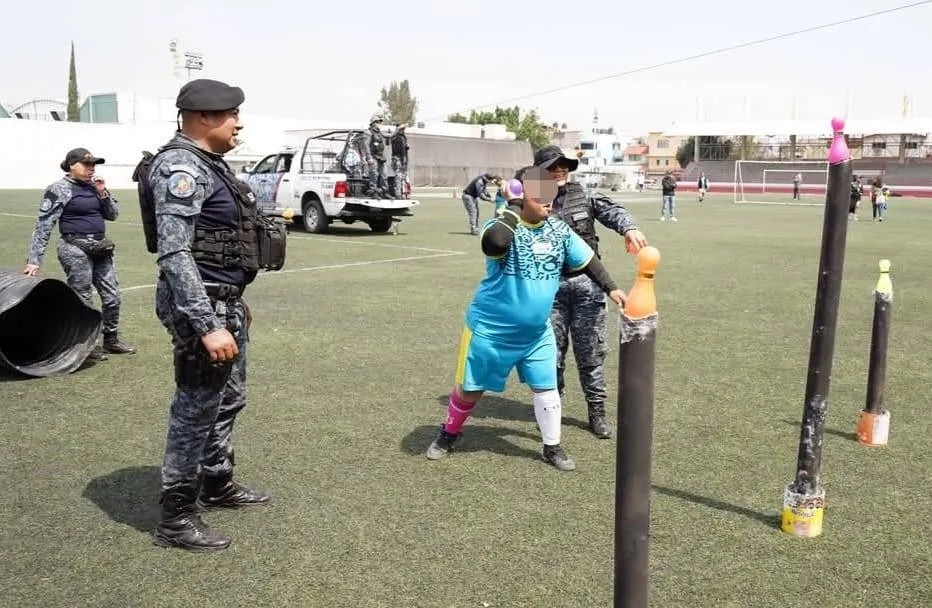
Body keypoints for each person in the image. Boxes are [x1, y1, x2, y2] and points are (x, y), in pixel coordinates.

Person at [139, 78, 287, 552]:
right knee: (195, 409)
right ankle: (177, 515)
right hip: (199, 304)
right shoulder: (181, 167)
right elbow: (175, 255)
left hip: (223, 299)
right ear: (204, 117)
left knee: (229, 398)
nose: (239, 122)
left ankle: (216, 480)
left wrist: (235, 304)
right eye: (232, 114)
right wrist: (207, 324)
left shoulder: (209, 165)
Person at [426, 165, 627, 471]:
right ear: (523, 197)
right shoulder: (503, 225)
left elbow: (588, 260)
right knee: (470, 390)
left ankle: (552, 446)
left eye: (552, 196)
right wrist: (513, 204)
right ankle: (448, 434)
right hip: (490, 331)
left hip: (535, 334)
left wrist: (612, 289)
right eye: (540, 197)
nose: (549, 202)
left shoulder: (559, 231)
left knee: (546, 389)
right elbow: (495, 244)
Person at [533, 145, 648, 439]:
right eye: (552, 166)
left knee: (591, 354)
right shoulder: (531, 201)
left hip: (588, 286)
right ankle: (551, 414)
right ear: (539, 171)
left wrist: (629, 229)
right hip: (548, 290)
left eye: (564, 165)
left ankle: (596, 413)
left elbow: (613, 211)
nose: (560, 170)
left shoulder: (585, 194)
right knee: (550, 356)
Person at [23, 148, 136, 361]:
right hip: (74, 247)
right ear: (71, 165)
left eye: (94, 164)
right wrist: (34, 260)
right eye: (87, 164)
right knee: (83, 297)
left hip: (101, 247)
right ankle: (87, 345)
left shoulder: (95, 187)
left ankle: (111, 339)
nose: (91, 168)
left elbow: (113, 215)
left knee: (112, 296)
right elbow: (44, 226)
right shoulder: (59, 189)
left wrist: (103, 193)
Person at [390, 123, 409, 198]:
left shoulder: (403, 137)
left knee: (402, 177)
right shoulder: (396, 137)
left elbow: (403, 149)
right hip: (398, 159)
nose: (404, 130)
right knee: (398, 177)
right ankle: (398, 194)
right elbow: (398, 149)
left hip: (402, 159)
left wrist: (406, 147)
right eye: (403, 129)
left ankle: (402, 193)